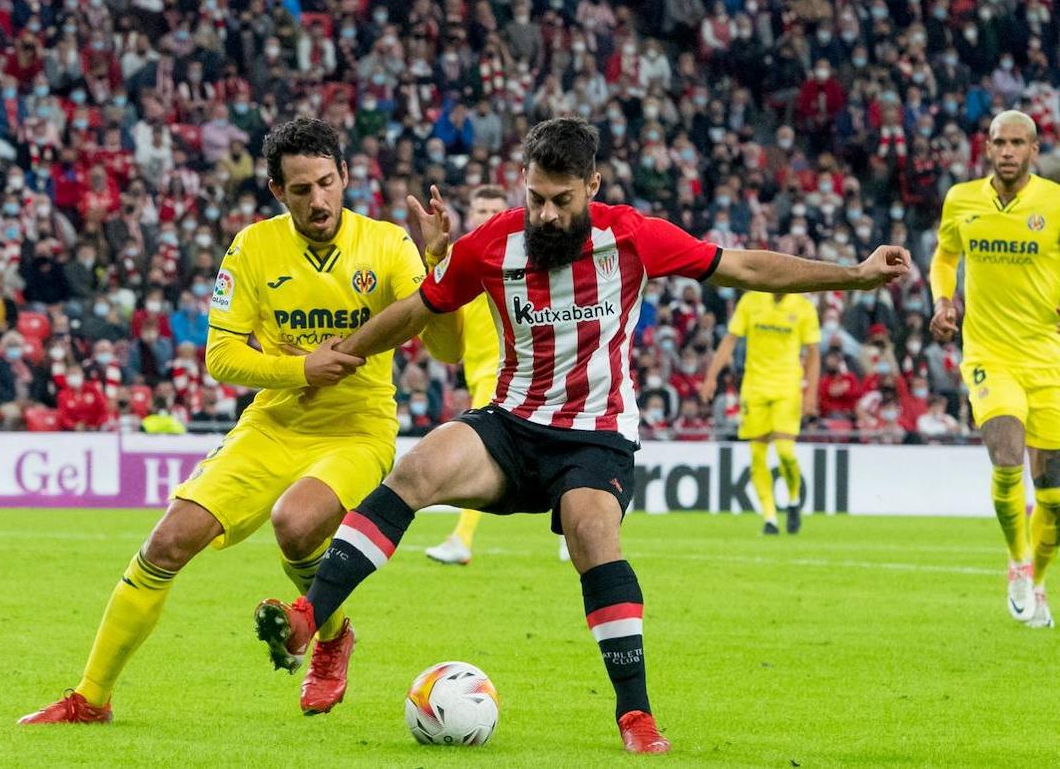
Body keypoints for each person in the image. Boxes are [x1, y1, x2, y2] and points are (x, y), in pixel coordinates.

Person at [251, 118, 910, 755]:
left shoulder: (633, 237)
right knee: (419, 468)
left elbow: (747, 269)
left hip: (595, 437)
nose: (546, 215)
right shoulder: (492, 243)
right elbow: (417, 310)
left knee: (593, 532)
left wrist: (852, 274)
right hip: (510, 424)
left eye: (561, 201)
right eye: (535, 197)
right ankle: (311, 618)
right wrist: (346, 353)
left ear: (592, 187)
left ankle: (636, 714)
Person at [19, 118, 461, 724]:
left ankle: (330, 638)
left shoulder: (387, 244)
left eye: (327, 183)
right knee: (165, 542)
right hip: (272, 425)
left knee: (296, 524)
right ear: (278, 192)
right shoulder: (253, 247)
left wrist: (441, 272)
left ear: (346, 178)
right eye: (301, 189)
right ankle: (91, 699)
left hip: (358, 428)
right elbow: (220, 355)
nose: (318, 200)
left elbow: (447, 350)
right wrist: (302, 370)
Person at [929, 110, 1060, 629]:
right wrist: (944, 302)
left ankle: (1041, 581)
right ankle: (1018, 563)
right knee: (1007, 461)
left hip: (1047, 357)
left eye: (1017, 143)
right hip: (988, 355)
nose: (1007, 151)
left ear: (1034, 149)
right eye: (998, 141)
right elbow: (944, 257)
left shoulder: (1054, 203)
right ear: (987, 147)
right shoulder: (962, 199)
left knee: (1052, 494)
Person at [423, 186, 511, 566]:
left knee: (477, 453)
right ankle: (578, 525)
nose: (488, 214)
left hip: (508, 371)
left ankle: (461, 538)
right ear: (469, 214)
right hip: (477, 371)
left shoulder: (518, 255)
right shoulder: (460, 258)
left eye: (496, 208)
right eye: (481, 208)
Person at [699, 291, 820, 534]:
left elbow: (814, 353)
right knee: (758, 455)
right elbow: (730, 340)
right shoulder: (751, 301)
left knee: (786, 452)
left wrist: (810, 394)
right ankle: (770, 518)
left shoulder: (803, 307)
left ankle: (794, 499)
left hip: (787, 387)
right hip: (754, 388)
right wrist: (711, 376)